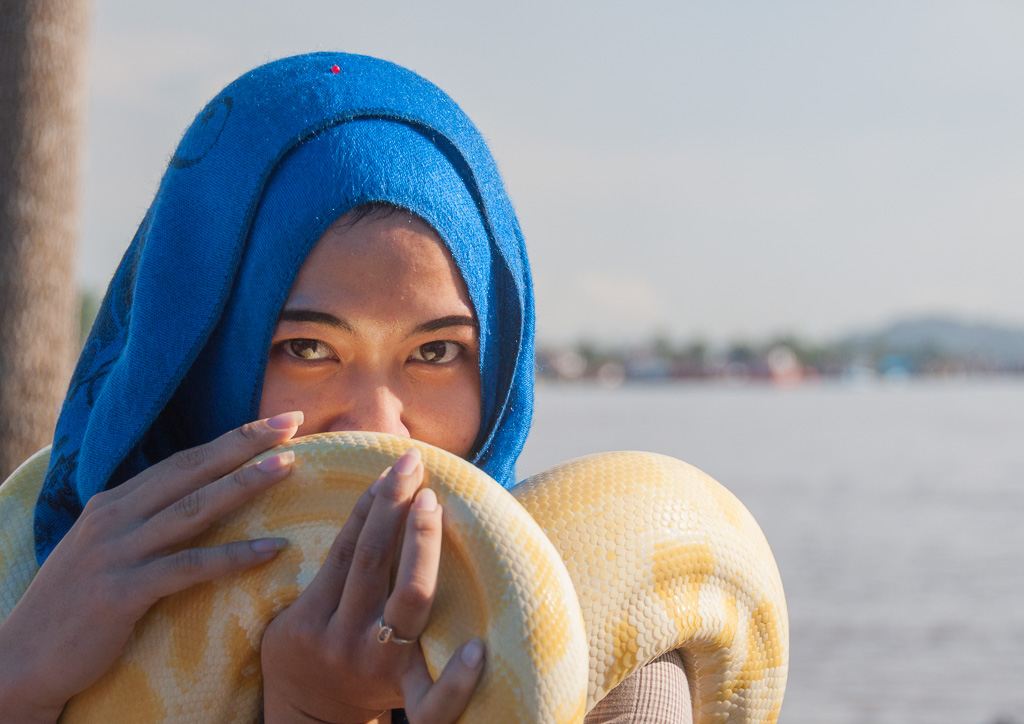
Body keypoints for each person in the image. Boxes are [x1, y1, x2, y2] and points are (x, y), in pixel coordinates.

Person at [0, 53, 688, 723]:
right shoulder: (39, 606)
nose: (379, 430)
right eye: (307, 349)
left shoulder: (621, 653)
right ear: (194, 361)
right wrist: (18, 687)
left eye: (437, 351)